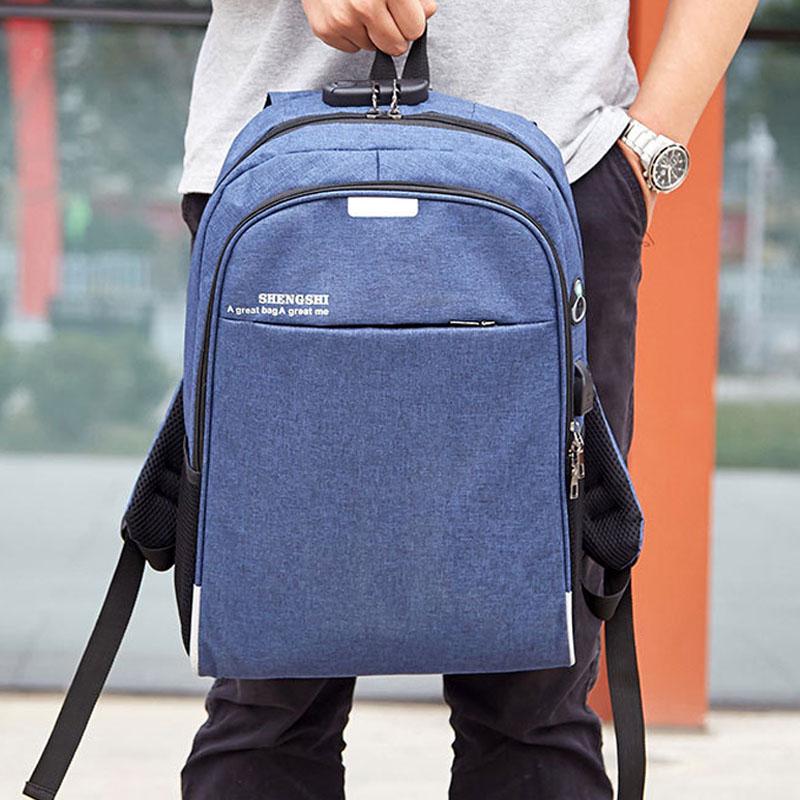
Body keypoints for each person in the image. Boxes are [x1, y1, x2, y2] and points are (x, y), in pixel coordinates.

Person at [178, 2, 758, 797]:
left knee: (534, 703)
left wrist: (645, 152)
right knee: (266, 701)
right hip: (278, 174)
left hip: (561, 172)